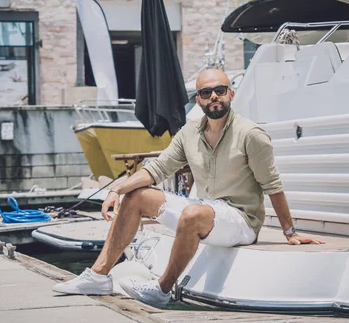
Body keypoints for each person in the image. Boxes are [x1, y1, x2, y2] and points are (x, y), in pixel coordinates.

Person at [52, 68, 324, 307]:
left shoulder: (251, 135)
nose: (213, 96)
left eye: (219, 90)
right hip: (207, 210)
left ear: (231, 94)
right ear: (199, 100)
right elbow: (158, 169)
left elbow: (273, 186)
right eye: (206, 92)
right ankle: (98, 276)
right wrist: (117, 190)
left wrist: (290, 232)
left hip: (241, 221)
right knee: (136, 196)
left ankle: (161, 289)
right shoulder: (189, 132)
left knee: (193, 213)